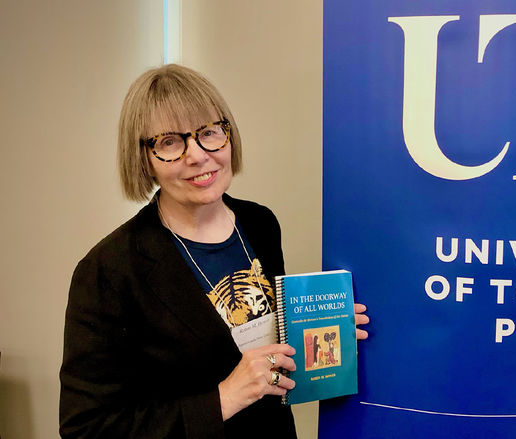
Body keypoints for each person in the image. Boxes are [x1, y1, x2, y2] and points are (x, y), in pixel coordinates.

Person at [59, 64, 369, 438]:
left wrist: (322, 330)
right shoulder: (109, 270)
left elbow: (266, 352)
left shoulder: (259, 223)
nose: (197, 155)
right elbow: (86, 428)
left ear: (228, 137)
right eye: (169, 142)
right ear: (143, 158)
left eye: (208, 133)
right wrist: (224, 398)